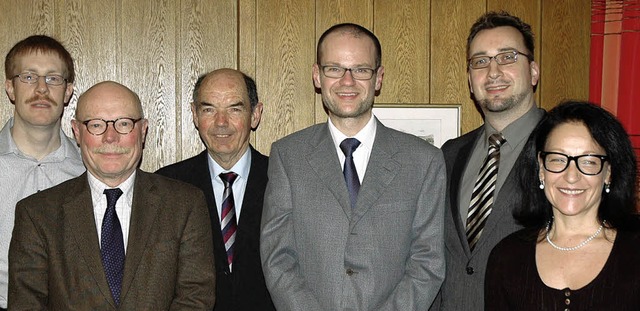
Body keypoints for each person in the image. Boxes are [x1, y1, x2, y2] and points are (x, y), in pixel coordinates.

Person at [260, 22, 446, 310]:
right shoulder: (288, 156)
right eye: (334, 68)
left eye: (361, 70)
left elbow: (428, 262)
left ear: (379, 78)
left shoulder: (423, 161)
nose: (347, 81)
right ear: (317, 76)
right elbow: (277, 258)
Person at [8, 81, 216, 309]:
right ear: (77, 131)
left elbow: (195, 298)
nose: (110, 137)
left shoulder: (185, 204)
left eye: (124, 124)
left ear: (143, 130)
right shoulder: (37, 214)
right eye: (96, 125)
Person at [434, 11, 545, 310]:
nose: (493, 72)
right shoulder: (449, 155)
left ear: (533, 71)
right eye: (480, 61)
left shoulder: (565, 149)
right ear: (470, 81)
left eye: (507, 57)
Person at [485, 100, 640, 310]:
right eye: (558, 159)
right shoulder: (506, 257)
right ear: (541, 168)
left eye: (588, 161)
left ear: (609, 173)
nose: (571, 176)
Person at [156, 68, 274, 310]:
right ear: (194, 115)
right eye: (209, 109)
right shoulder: (167, 186)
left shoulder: (282, 180)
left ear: (255, 114)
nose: (221, 123)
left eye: (234, 108)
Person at [0, 35, 86, 311]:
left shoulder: (90, 171)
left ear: (68, 90)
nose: (41, 89)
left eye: (52, 79)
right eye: (28, 77)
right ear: (10, 88)